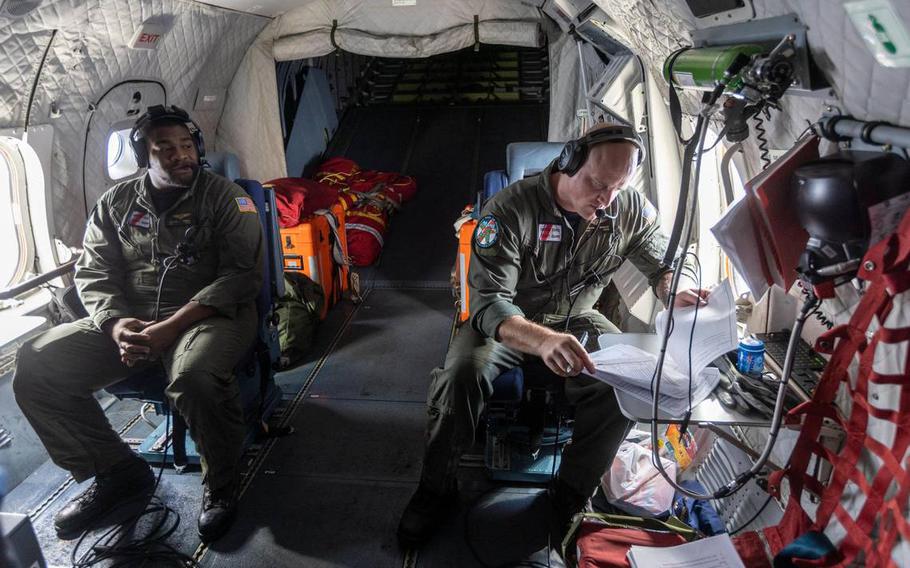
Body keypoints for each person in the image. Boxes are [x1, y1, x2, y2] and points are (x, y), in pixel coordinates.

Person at [397, 123, 708, 548]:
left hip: (578, 321)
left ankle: (571, 492)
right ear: (569, 162)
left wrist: (676, 284)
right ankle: (435, 489)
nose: (607, 201)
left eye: (618, 187)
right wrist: (542, 341)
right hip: (509, 326)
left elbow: (665, 260)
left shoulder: (627, 208)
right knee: (459, 379)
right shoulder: (510, 210)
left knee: (628, 383)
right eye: (598, 184)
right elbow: (488, 302)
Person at [12, 105, 263, 543]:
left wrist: (169, 328)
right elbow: (93, 272)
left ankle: (221, 485)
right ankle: (115, 471)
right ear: (143, 155)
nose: (180, 155)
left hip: (209, 316)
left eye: (186, 146)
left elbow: (243, 276)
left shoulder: (226, 197)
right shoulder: (116, 203)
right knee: (36, 364)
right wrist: (115, 325)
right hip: (131, 318)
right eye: (164, 148)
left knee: (195, 378)